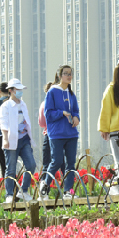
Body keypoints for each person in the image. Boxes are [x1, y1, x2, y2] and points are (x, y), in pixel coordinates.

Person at [42, 65, 80, 197]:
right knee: (57, 161)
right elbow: (48, 114)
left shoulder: (71, 94)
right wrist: (61, 113)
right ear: (59, 76)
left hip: (71, 133)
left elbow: (76, 110)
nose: (69, 76)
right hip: (56, 134)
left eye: (70, 74)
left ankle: (68, 191)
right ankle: (45, 185)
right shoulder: (52, 92)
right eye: (66, 73)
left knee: (71, 163)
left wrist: (76, 117)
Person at [0, 78, 37, 203]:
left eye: (21, 89)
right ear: (10, 91)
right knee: (11, 168)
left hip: (24, 138)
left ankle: (24, 190)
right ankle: (9, 194)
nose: (20, 92)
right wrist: (5, 139)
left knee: (31, 165)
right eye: (17, 89)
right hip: (11, 140)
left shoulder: (23, 104)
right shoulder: (6, 106)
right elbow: (4, 124)